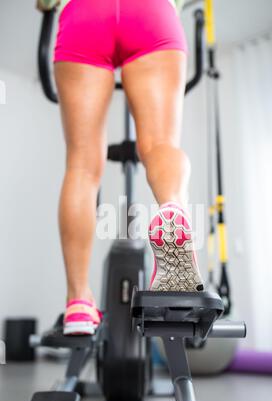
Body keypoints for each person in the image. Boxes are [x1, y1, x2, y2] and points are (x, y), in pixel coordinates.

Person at [36, 0, 203, 336]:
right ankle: (172, 207)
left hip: (84, 15)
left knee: (82, 166)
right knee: (160, 146)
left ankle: (79, 303)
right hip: (151, 13)